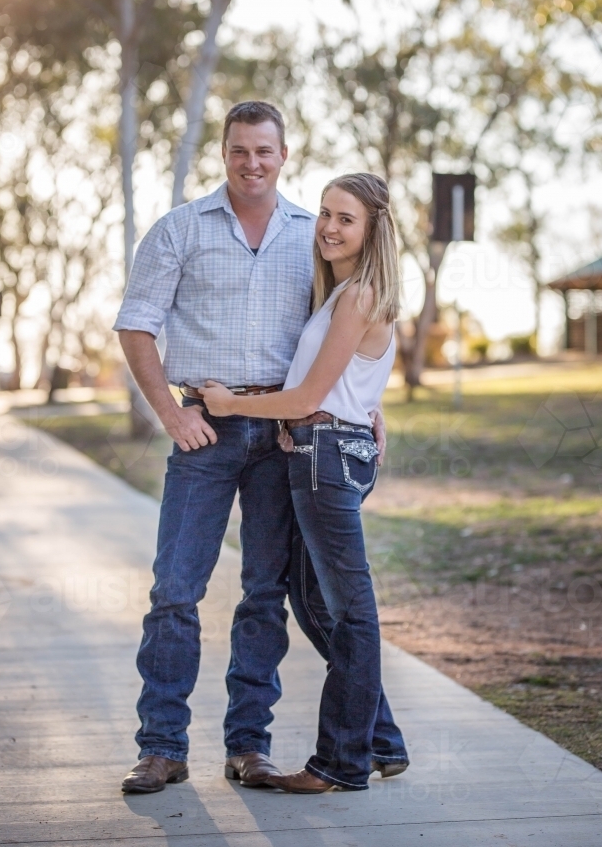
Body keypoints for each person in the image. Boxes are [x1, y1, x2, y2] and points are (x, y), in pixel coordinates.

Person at [114, 102, 407, 794]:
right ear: (224, 152)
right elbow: (135, 326)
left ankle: (248, 746)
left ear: (283, 155)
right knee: (174, 590)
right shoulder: (179, 230)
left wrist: (369, 403)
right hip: (206, 429)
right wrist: (171, 415)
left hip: (285, 436)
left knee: (263, 594)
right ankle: (161, 747)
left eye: (264, 151)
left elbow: (342, 343)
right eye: (240, 149)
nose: (252, 162)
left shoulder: (316, 235)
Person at [202, 172, 403, 792]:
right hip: (326, 450)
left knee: (350, 612)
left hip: (326, 458)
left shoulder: (358, 295)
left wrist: (230, 405)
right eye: (324, 213)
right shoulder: (343, 294)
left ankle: (340, 764)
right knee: (316, 604)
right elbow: (348, 384)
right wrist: (364, 412)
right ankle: (381, 739)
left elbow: (312, 393)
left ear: (372, 231)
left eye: (346, 218)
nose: (328, 227)